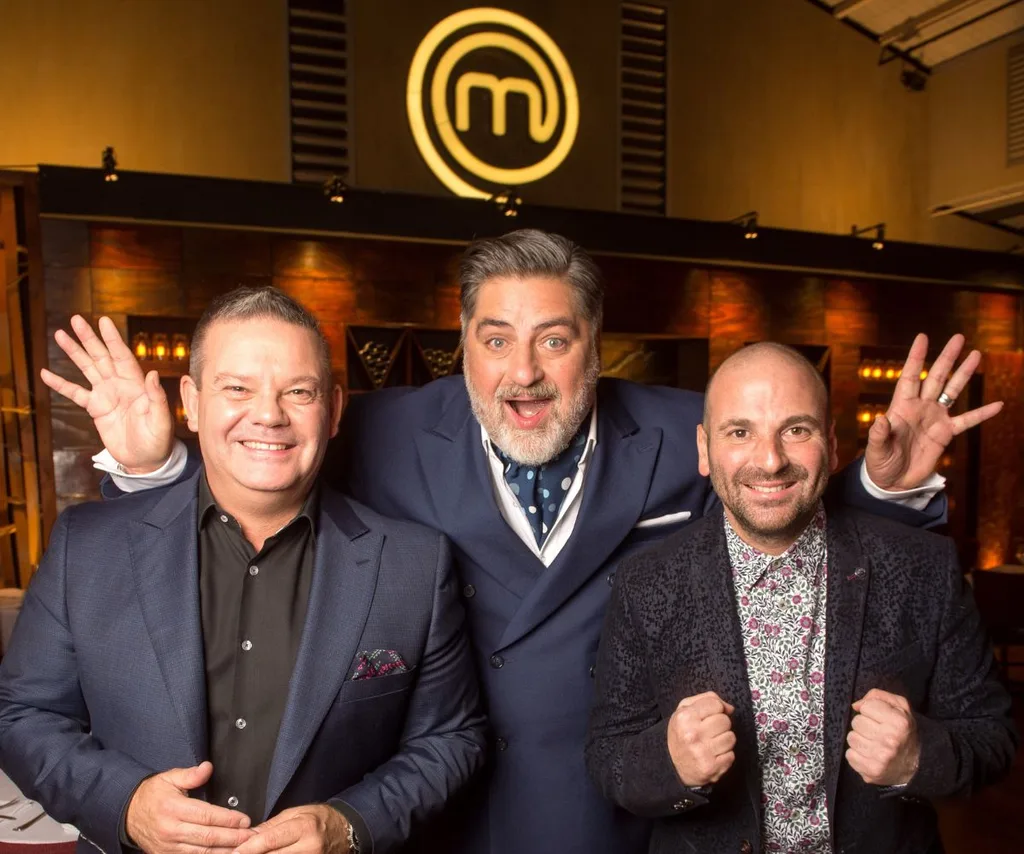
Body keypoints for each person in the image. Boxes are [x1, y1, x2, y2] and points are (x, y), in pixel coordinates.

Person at [40, 230, 1003, 854]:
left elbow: (791, 509)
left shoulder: (691, 430)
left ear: (597, 343)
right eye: (496, 338)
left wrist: (889, 481)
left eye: (554, 338)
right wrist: (155, 468)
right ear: (462, 342)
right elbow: (256, 485)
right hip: (434, 809)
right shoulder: (372, 428)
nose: (524, 371)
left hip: (624, 805)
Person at [0, 288, 486, 854]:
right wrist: (125, 805)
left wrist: (349, 825)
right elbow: (22, 713)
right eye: (237, 388)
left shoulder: (413, 563)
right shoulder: (88, 545)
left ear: (333, 409)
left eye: (298, 392)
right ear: (191, 401)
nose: (268, 415)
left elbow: (451, 739)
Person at [585, 342, 1017, 854]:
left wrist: (920, 756)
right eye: (740, 432)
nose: (770, 460)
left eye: (797, 429)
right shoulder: (646, 581)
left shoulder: (923, 568)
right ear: (704, 449)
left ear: (832, 446)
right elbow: (608, 753)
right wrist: (669, 762)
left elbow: (993, 737)